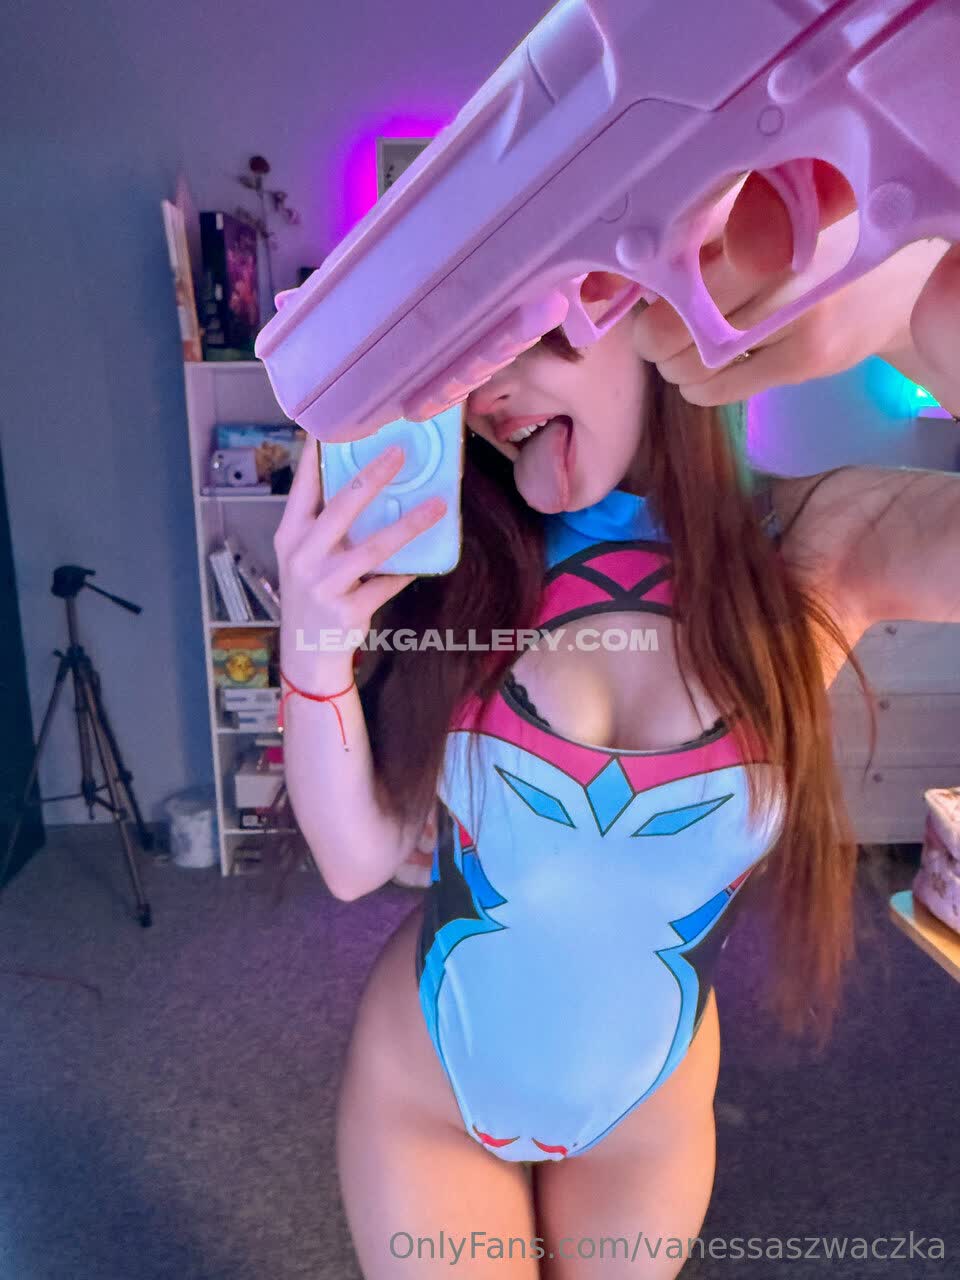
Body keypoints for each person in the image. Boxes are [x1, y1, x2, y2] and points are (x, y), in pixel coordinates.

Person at [272, 168, 959, 1278]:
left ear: (654, 296)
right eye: (463, 357)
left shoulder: (816, 545)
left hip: (645, 1118)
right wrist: (310, 650)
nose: (489, 390)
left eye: (527, 330)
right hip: (431, 1090)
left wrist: (912, 309)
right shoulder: (463, 559)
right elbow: (355, 862)